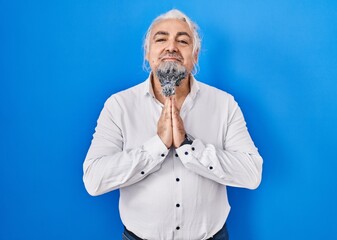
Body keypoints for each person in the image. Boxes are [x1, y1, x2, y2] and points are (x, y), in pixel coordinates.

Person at [83, 9, 263, 240]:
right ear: (148, 53)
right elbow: (94, 180)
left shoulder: (224, 104)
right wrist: (157, 145)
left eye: (183, 40)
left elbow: (251, 173)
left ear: (195, 55)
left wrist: (188, 146)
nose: (171, 47)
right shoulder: (118, 106)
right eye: (161, 39)